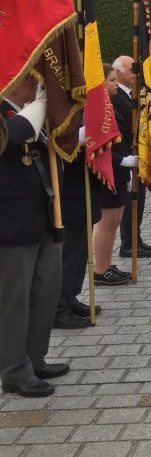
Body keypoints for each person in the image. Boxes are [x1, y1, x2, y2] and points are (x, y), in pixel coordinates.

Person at [0, 74, 70, 397]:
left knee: (46, 289)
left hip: (44, 213)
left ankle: (35, 358)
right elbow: (10, 137)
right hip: (11, 221)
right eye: (30, 75)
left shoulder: (35, 111)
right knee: (15, 300)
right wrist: (38, 110)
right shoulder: (10, 111)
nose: (35, 80)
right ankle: (14, 369)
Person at [55, 119, 103, 329]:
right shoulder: (61, 112)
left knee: (81, 253)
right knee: (69, 255)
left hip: (87, 190)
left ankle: (71, 297)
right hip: (71, 192)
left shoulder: (84, 109)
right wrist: (78, 141)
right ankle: (59, 308)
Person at [111, 56, 151, 259]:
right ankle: (127, 245)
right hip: (125, 155)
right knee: (131, 201)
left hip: (137, 153)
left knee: (139, 200)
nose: (136, 72)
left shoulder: (130, 94)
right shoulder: (115, 97)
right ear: (119, 71)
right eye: (132, 69)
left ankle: (136, 239)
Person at [93, 64, 134, 286]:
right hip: (109, 168)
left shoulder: (110, 104)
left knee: (116, 219)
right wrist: (121, 160)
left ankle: (107, 264)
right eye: (110, 79)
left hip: (120, 168)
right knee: (106, 221)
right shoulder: (96, 106)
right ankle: (100, 268)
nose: (115, 82)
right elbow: (101, 144)